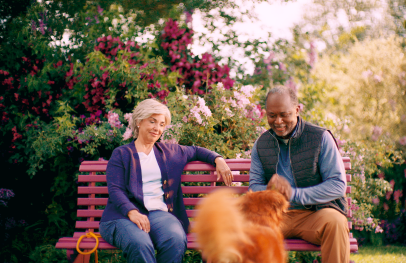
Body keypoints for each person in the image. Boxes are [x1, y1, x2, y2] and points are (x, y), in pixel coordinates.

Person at [99, 99, 233, 263]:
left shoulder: (171, 152)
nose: (157, 128)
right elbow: (115, 190)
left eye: (162, 124)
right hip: (122, 217)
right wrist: (132, 212)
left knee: (175, 239)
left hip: (158, 215)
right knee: (140, 244)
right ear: (140, 122)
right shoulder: (121, 154)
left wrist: (218, 159)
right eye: (152, 121)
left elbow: (196, 151)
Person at [249, 85, 349, 263]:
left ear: (296, 110)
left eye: (284, 114)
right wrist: (270, 192)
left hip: (314, 214)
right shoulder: (261, 144)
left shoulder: (320, 138)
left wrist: (294, 194)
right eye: (272, 115)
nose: (278, 121)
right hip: (276, 216)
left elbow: (337, 185)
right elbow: (254, 186)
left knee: (336, 222)